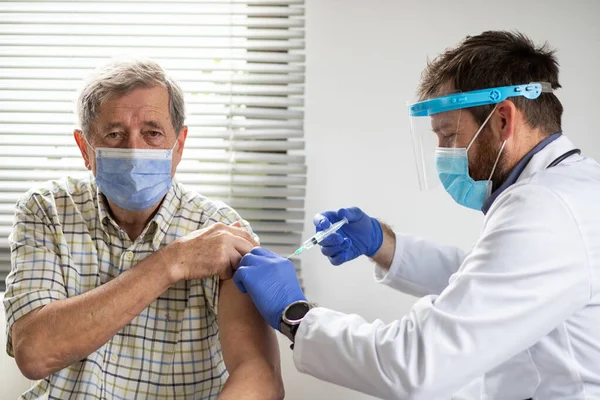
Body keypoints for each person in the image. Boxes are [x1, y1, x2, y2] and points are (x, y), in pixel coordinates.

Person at [232, 30, 600, 399]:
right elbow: (491, 282)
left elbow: (414, 365)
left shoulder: (545, 209)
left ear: (503, 120)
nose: (442, 152)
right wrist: (383, 244)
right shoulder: (573, 186)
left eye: (450, 135)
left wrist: (294, 314)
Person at [4, 59, 283, 399]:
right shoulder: (47, 210)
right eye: (115, 134)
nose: (135, 151)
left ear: (178, 145)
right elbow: (34, 353)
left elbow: (259, 377)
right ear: (85, 148)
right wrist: (172, 262)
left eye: (152, 133)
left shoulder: (219, 231)